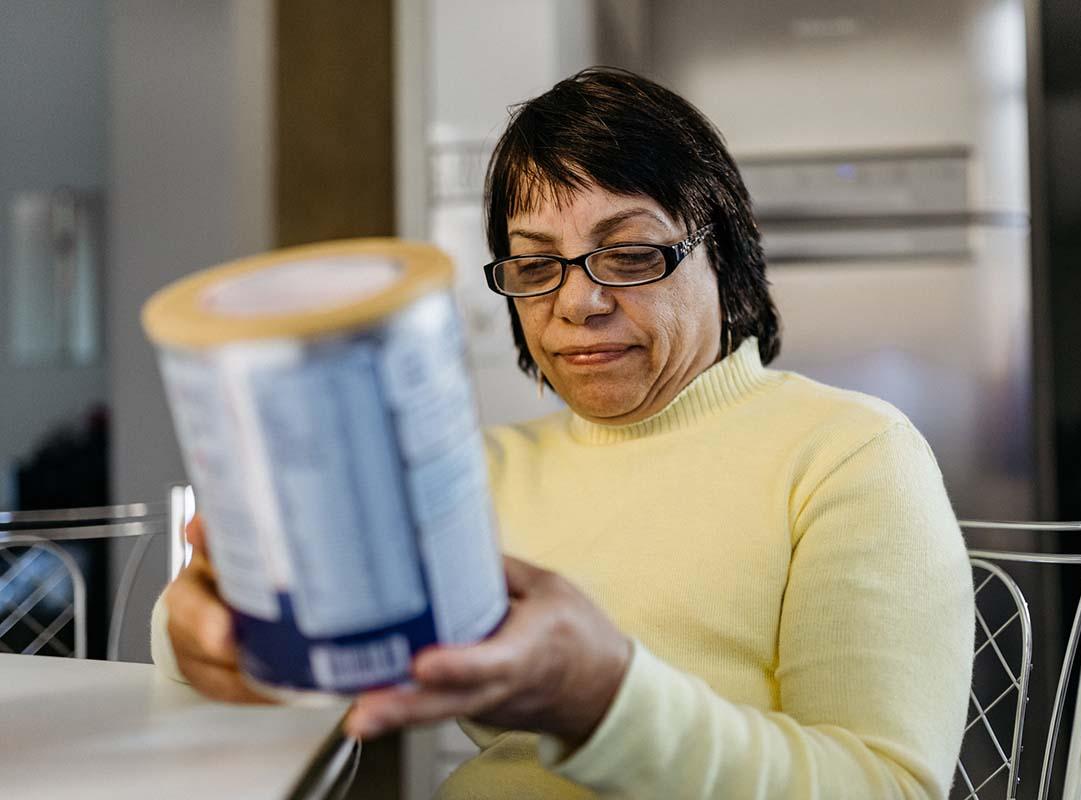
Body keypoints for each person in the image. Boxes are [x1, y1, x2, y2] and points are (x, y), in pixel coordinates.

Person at [152, 67, 974, 799]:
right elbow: (275, 679)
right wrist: (207, 628)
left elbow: (885, 784)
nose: (577, 303)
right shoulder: (474, 477)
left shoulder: (848, 455)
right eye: (536, 265)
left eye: (629, 252)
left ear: (719, 254)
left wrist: (602, 700)